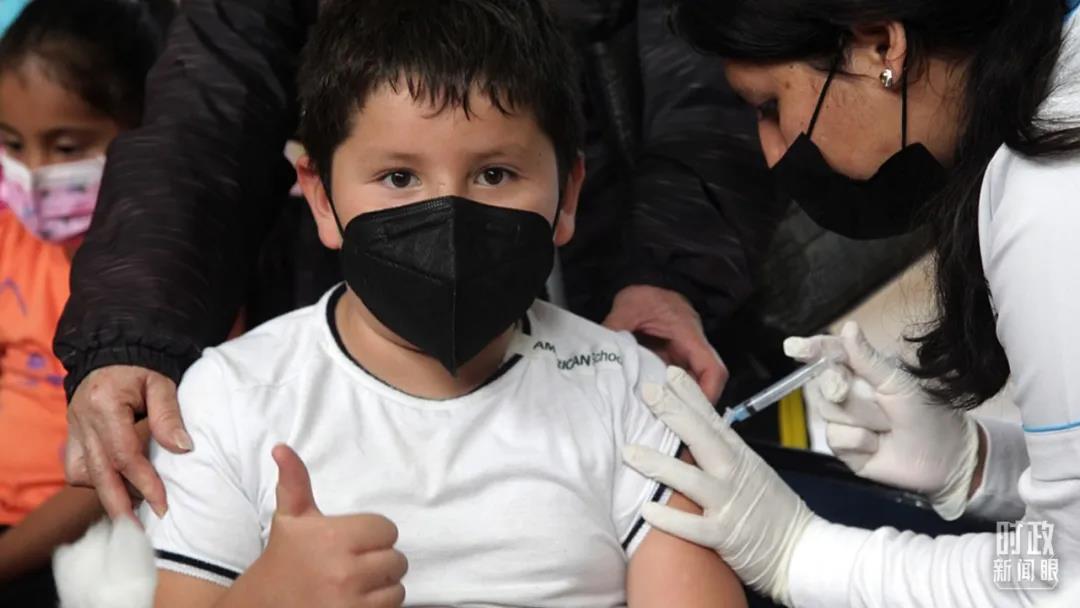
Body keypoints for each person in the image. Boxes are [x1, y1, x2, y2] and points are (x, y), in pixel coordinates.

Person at [54, 0, 776, 524]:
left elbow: (705, 87)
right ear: (320, 193)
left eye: (488, 172)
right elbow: (211, 105)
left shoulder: (625, 386)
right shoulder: (240, 402)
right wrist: (134, 333)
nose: (447, 212)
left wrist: (674, 276)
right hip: (351, 292)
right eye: (402, 175)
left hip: (614, 277)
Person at [624, 0, 1080, 605]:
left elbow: (1058, 578)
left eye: (769, 106)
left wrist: (799, 553)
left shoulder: (1050, 199)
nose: (770, 152)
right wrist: (979, 466)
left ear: (881, 47)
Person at [0, 0, 173, 602]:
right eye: (11, 142)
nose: (33, 171)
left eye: (67, 147)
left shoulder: (172, 281)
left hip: (64, 546)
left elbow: (127, 458)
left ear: (143, 133)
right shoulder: (9, 237)